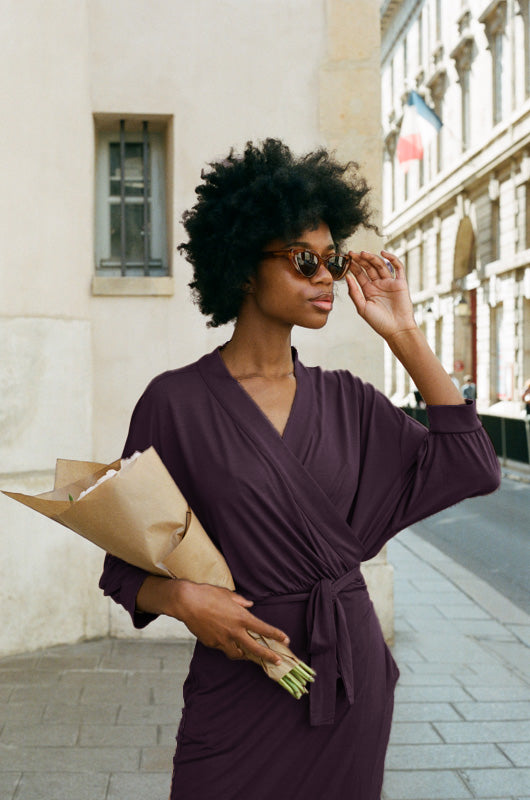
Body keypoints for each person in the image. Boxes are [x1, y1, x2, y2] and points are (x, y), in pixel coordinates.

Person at [99, 139, 501, 800]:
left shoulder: (350, 402)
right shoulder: (175, 404)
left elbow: (471, 463)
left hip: (348, 688)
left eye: (333, 262)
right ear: (243, 267)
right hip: (236, 685)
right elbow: (123, 569)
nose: (326, 279)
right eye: (304, 260)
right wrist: (187, 600)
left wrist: (403, 332)